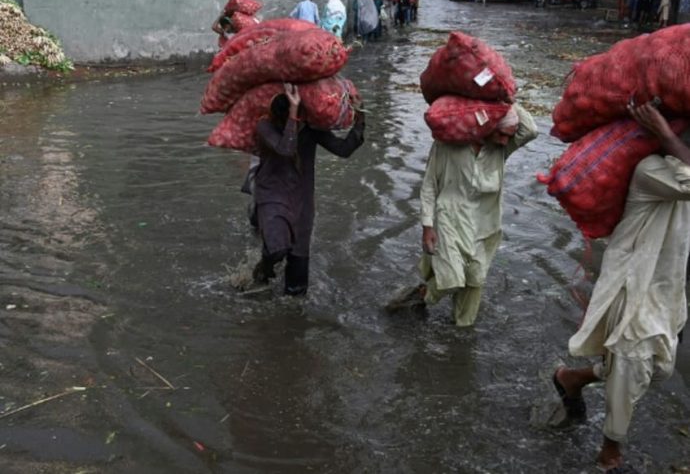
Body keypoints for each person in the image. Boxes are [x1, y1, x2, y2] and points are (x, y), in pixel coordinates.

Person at [553, 100, 690, 471]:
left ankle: (572, 378)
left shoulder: (677, 168)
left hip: (663, 285)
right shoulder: (652, 170)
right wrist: (663, 131)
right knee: (632, 363)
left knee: (657, 368)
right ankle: (610, 452)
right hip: (635, 286)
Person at [386, 105, 538, 325]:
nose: (506, 140)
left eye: (509, 136)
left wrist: (507, 100)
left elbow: (531, 130)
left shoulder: (501, 149)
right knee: (452, 280)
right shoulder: (449, 144)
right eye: (502, 134)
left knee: (475, 281)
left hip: (485, 222)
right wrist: (427, 225)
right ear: (487, 127)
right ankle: (418, 296)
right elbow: (429, 185)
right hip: (450, 217)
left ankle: (462, 334)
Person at [252, 84, 365, 295]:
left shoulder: (311, 130)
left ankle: (291, 324)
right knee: (277, 249)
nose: (299, 120)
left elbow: (343, 149)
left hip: (302, 200)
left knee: (297, 288)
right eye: (293, 113)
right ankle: (263, 268)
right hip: (272, 195)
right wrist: (294, 111)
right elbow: (286, 149)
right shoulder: (264, 126)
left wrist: (360, 118)